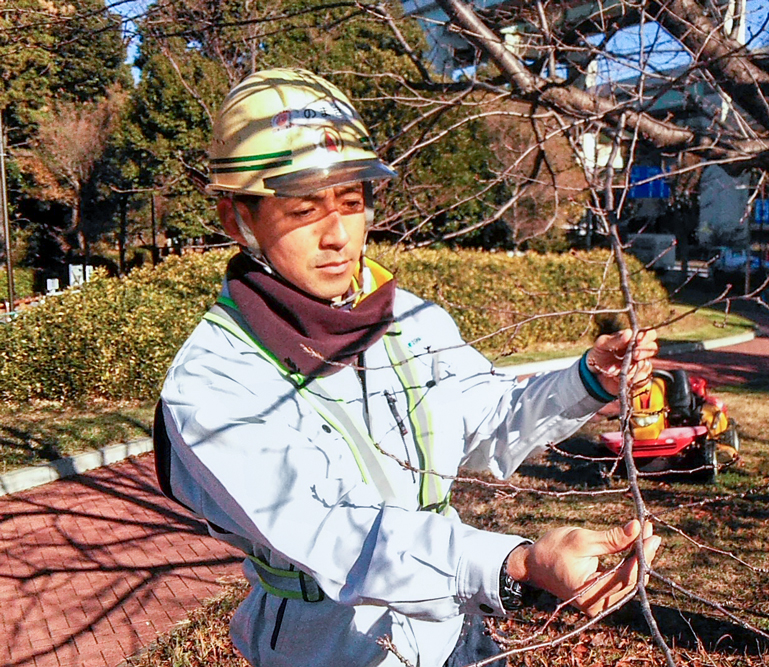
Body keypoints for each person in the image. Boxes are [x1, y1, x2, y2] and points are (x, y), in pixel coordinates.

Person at [156, 68, 661, 667]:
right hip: (327, 646)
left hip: (455, 632)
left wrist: (584, 382)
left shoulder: (406, 318)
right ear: (237, 220)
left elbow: (486, 415)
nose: (338, 236)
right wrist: (517, 563)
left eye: (352, 201)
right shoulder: (214, 381)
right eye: (302, 210)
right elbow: (335, 531)